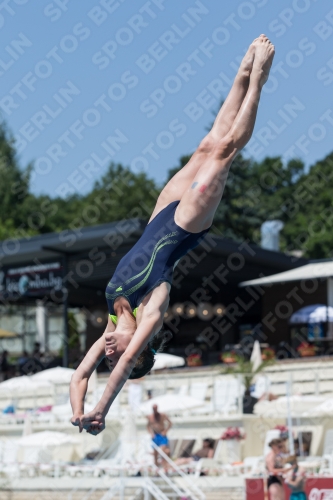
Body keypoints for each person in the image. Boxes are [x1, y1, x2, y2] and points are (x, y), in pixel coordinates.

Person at [70, 35, 275, 435]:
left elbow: (79, 375)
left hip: (160, 214)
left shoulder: (113, 320)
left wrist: (79, 412)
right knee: (225, 151)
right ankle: (259, 78)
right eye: (119, 356)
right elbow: (126, 367)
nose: (111, 354)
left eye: (108, 358)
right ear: (142, 347)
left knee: (205, 146)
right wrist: (103, 409)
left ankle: (243, 68)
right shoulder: (152, 309)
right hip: (186, 225)